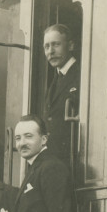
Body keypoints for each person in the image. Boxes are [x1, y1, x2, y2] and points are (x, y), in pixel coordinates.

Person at [40, 24, 80, 169]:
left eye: (56, 44)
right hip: (56, 162)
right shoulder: (56, 81)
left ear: (70, 45)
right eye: (46, 46)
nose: (50, 51)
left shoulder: (81, 74)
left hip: (74, 161)